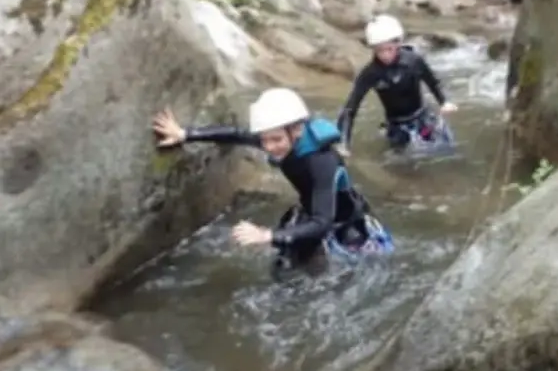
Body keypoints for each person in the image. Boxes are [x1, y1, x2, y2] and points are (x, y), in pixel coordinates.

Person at [151, 88, 392, 280]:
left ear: (297, 130)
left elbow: (323, 222)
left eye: (275, 140)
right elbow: (236, 134)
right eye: (264, 140)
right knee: (282, 270)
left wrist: (267, 235)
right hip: (310, 213)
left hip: (343, 222)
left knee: (324, 280)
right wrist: (186, 134)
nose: (269, 148)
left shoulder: (321, 161)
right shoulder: (279, 135)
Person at [337, 14, 458, 153]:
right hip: (397, 124)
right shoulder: (370, 73)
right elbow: (349, 109)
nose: (385, 55)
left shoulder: (413, 60)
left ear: (398, 44)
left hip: (422, 117)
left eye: (389, 49)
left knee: (446, 149)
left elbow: (433, 82)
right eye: (379, 51)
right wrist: (343, 143)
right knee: (403, 160)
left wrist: (444, 102)